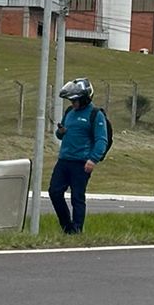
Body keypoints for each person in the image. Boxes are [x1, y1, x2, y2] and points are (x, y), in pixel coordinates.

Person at [48, 77, 108, 235]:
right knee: (54, 192)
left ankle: (77, 230)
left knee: (77, 197)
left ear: (85, 99)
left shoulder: (95, 114)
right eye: (71, 100)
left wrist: (93, 159)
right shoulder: (69, 112)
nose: (72, 103)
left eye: (75, 100)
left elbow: (102, 139)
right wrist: (60, 132)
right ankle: (67, 226)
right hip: (64, 160)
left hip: (82, 163)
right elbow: (60, 135)